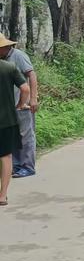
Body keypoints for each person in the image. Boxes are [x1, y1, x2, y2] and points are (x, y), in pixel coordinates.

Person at [0, 34, 38, 178]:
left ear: (4, 47)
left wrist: (33, 99)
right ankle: (15, 165)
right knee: (14, 136)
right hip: (11, 105)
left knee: (26, 135)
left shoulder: (18, 56)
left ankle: (28, 166)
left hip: (24, 103)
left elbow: (32, 75)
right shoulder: (3, 60)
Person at [0, 58, 30, 205]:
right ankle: (2, 196)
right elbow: (25, 89)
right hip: (6, 121)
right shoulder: (9, 67)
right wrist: (20, 104)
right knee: (5, 157)